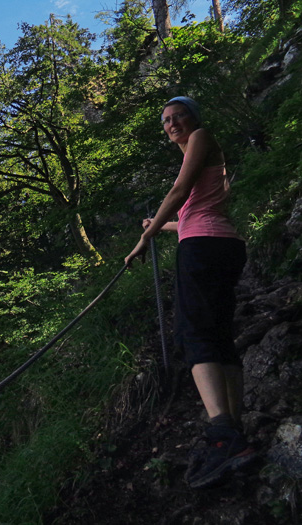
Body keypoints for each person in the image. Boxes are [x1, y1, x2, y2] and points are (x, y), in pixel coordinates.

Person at [125, 96, 255, 489]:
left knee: (194, 333)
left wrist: (144, 238)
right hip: (218, 244)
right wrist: (161, 225)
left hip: (203, 248)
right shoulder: (203, 159)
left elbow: (180, 191)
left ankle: (222, 432)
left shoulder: (201, 137)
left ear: (193, 118)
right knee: (217, 335)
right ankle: (234, 430)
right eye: (166, 120)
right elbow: (192, 215)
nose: (172, 123)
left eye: (178, 115)